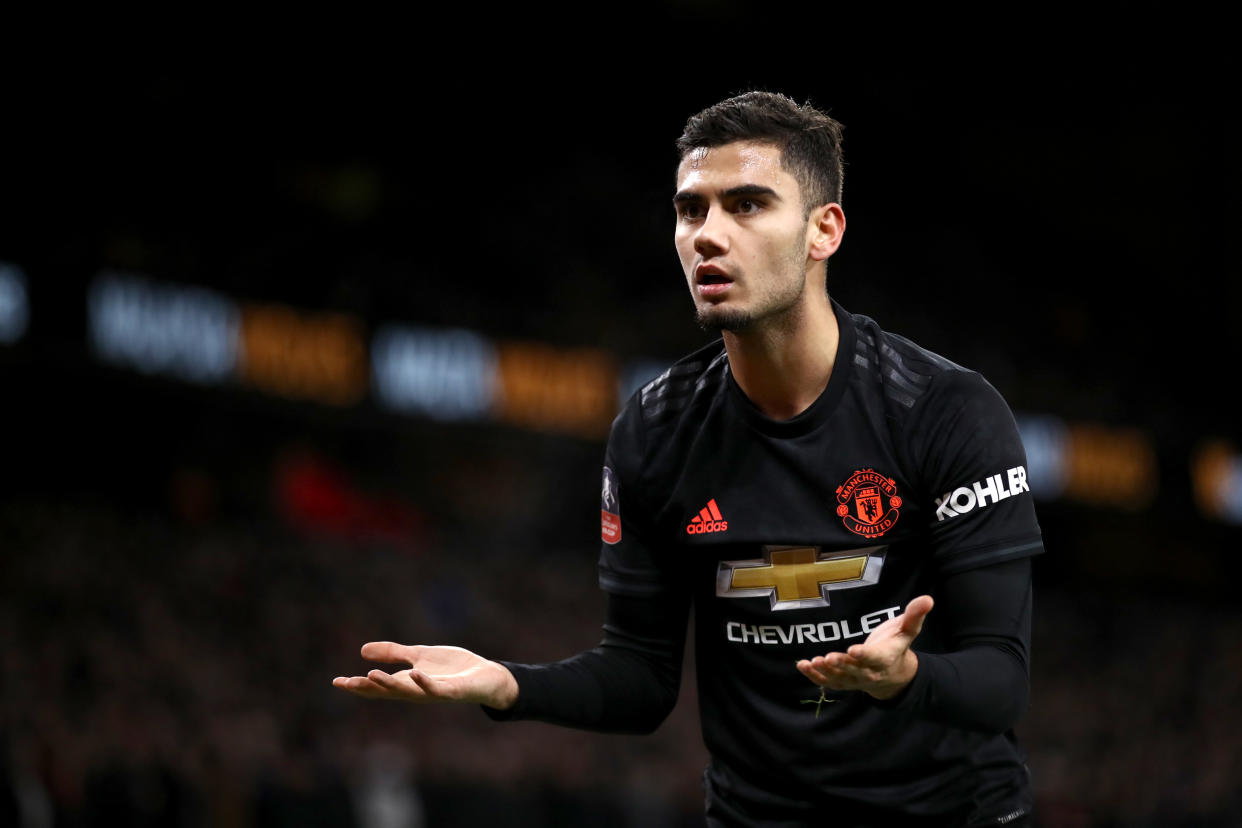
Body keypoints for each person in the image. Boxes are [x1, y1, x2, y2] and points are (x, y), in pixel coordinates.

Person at [334, 91, 1042, 827]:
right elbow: (640, 678)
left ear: (823, 229)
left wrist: (905, 677)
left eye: (746, 205)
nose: (708, 235)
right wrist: (506, 684)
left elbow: (1002, 679)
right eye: (690, 210)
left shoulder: (945, 410)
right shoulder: (654, 429)